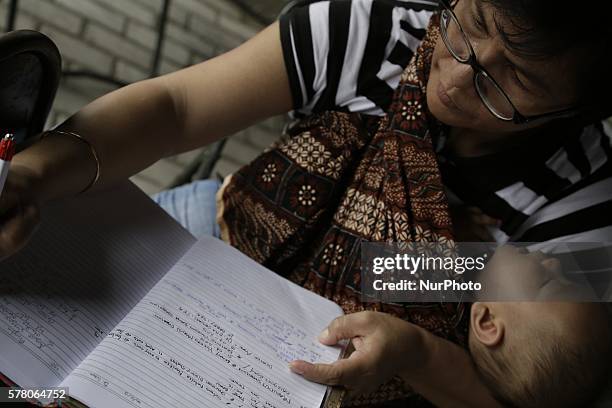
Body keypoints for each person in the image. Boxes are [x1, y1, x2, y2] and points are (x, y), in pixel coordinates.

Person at [0, 0, 611, 405]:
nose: (450, 79)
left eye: (515, 82)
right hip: (209, 236)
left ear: (582, 104)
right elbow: (175, 109)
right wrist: (28, 177)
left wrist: (416, 332)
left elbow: (528, 385)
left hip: (326, 368)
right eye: (469, 24)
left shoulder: (589, 202)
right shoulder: (377, 34)